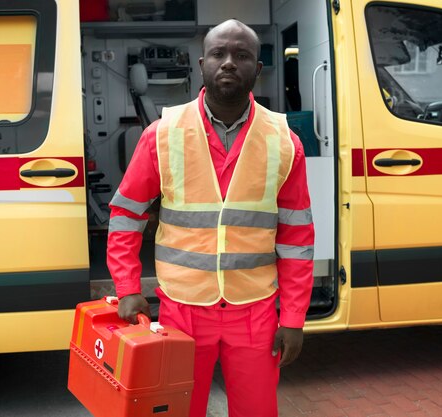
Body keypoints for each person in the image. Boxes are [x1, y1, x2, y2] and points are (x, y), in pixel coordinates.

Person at [107, 19, 314, 417]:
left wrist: (293, 317)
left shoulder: (284, 142)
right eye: (219, 54)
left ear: (258, 68)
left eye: (242, 55)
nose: (229, 63)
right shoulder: (161, 134)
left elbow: (297, 237)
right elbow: (125, 216)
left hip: (254, 311)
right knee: (180, 410)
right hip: (182, 309)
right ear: (202, 63)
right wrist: (128, 286)